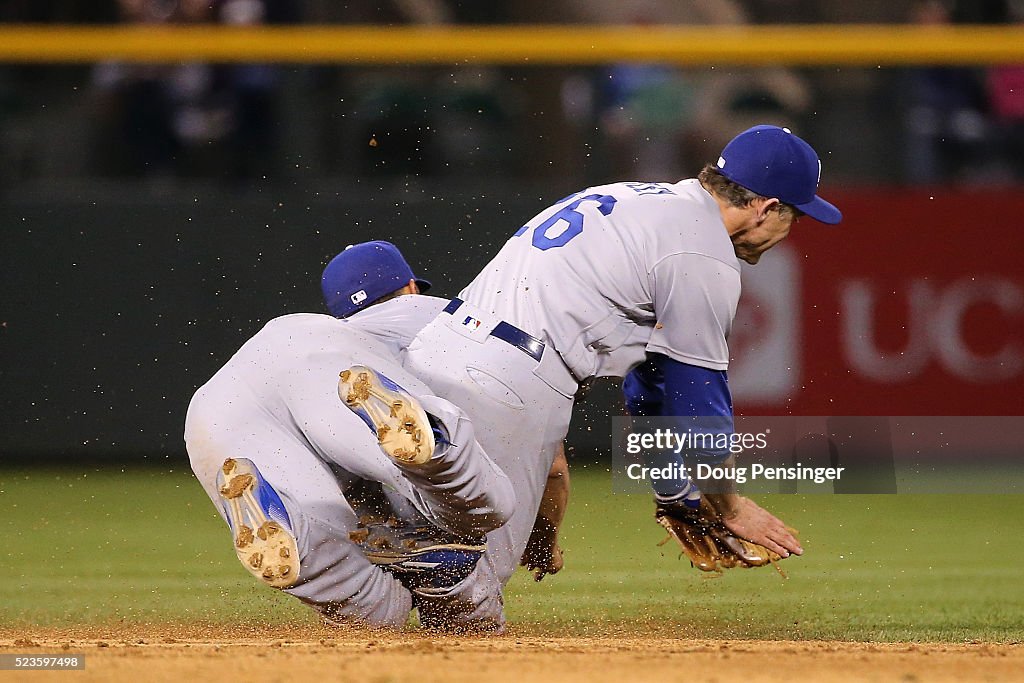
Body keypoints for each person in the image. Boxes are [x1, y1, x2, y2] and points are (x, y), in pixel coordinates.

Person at [351, 124, 838, 623]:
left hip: (436, 349)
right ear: (767, 207)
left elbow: (650, 384)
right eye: (796, 216)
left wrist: (675, 491)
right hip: (512, 378)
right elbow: (698, 405)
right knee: (471, 596)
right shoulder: (702, 253)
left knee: (423, 531)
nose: (788, 232)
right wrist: (729, 508)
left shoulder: (633, 198)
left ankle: (342, 547)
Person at [184, 241, 563, 630]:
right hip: (356, 376)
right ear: (412, 288)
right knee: (481, 517)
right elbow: (553, 470)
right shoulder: (456, 319)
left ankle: (304, 539)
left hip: (226, 399)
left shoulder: (339, 332)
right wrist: (543, 540)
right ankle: (439, 461)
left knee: (365, 606)